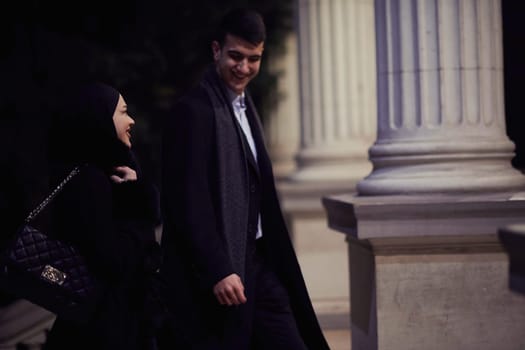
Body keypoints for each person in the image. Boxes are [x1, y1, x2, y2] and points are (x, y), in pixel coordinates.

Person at [159, 8, 330, 350]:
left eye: (254, 59)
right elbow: (189, 202)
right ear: (216, 50)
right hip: (220, 274)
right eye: (235, 56)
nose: (244, 68)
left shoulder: (246, 107)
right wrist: (218, 268)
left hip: (261, 265)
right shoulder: (193, 111)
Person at [42, 82, 162, 350]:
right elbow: (114, 260)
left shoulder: (103, 172)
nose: (131, 120)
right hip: (102, 329)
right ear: (99, 118)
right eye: (122, 112)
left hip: (108, 320)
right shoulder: (88, 182)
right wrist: (137, 202)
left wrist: (136, 189)